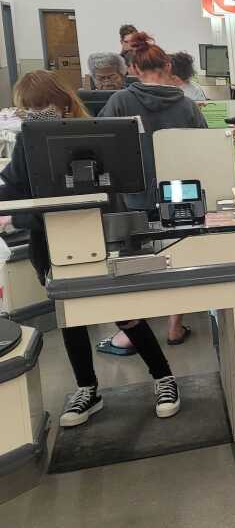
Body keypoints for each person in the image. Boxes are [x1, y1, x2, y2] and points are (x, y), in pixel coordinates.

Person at [0, 71, 181, 427]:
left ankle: (164, 377)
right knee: (70, 318)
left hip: (99, 239)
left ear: (64, 101)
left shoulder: (96, 134)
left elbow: (112, 190)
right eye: (29, 109)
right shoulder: (27, 143)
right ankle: (87, 388)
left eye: (43, 105)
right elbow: (15, 188)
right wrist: (16, 213)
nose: (37, 114)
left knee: (124, 311)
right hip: (49, 244)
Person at [94, 32, 207, 356]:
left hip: (138, 192)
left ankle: (133, 331)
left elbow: (101, 141)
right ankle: (174, 326)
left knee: (138, 260)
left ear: (133, 69)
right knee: (182, 256)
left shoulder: (120, 101)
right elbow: (204, 146)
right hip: (181, 190)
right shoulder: (186, 104)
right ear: (168, 65)